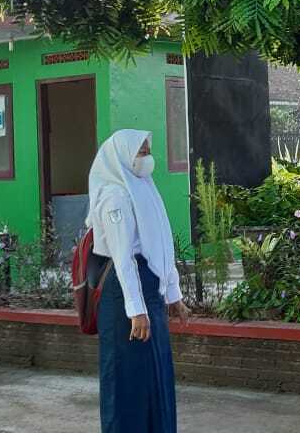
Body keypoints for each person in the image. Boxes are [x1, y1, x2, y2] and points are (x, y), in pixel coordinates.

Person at [87, 129, 189, 433]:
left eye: (147, 151)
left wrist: (173, 294)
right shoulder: (114, 196)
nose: (147, 158)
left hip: (148, 292)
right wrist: (136, 309)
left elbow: (161, 245)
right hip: (125, 297)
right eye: (141, 153)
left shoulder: (143, 187)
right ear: (123, 156)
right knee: (126, 378)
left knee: (155, 373)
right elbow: (123, 258)